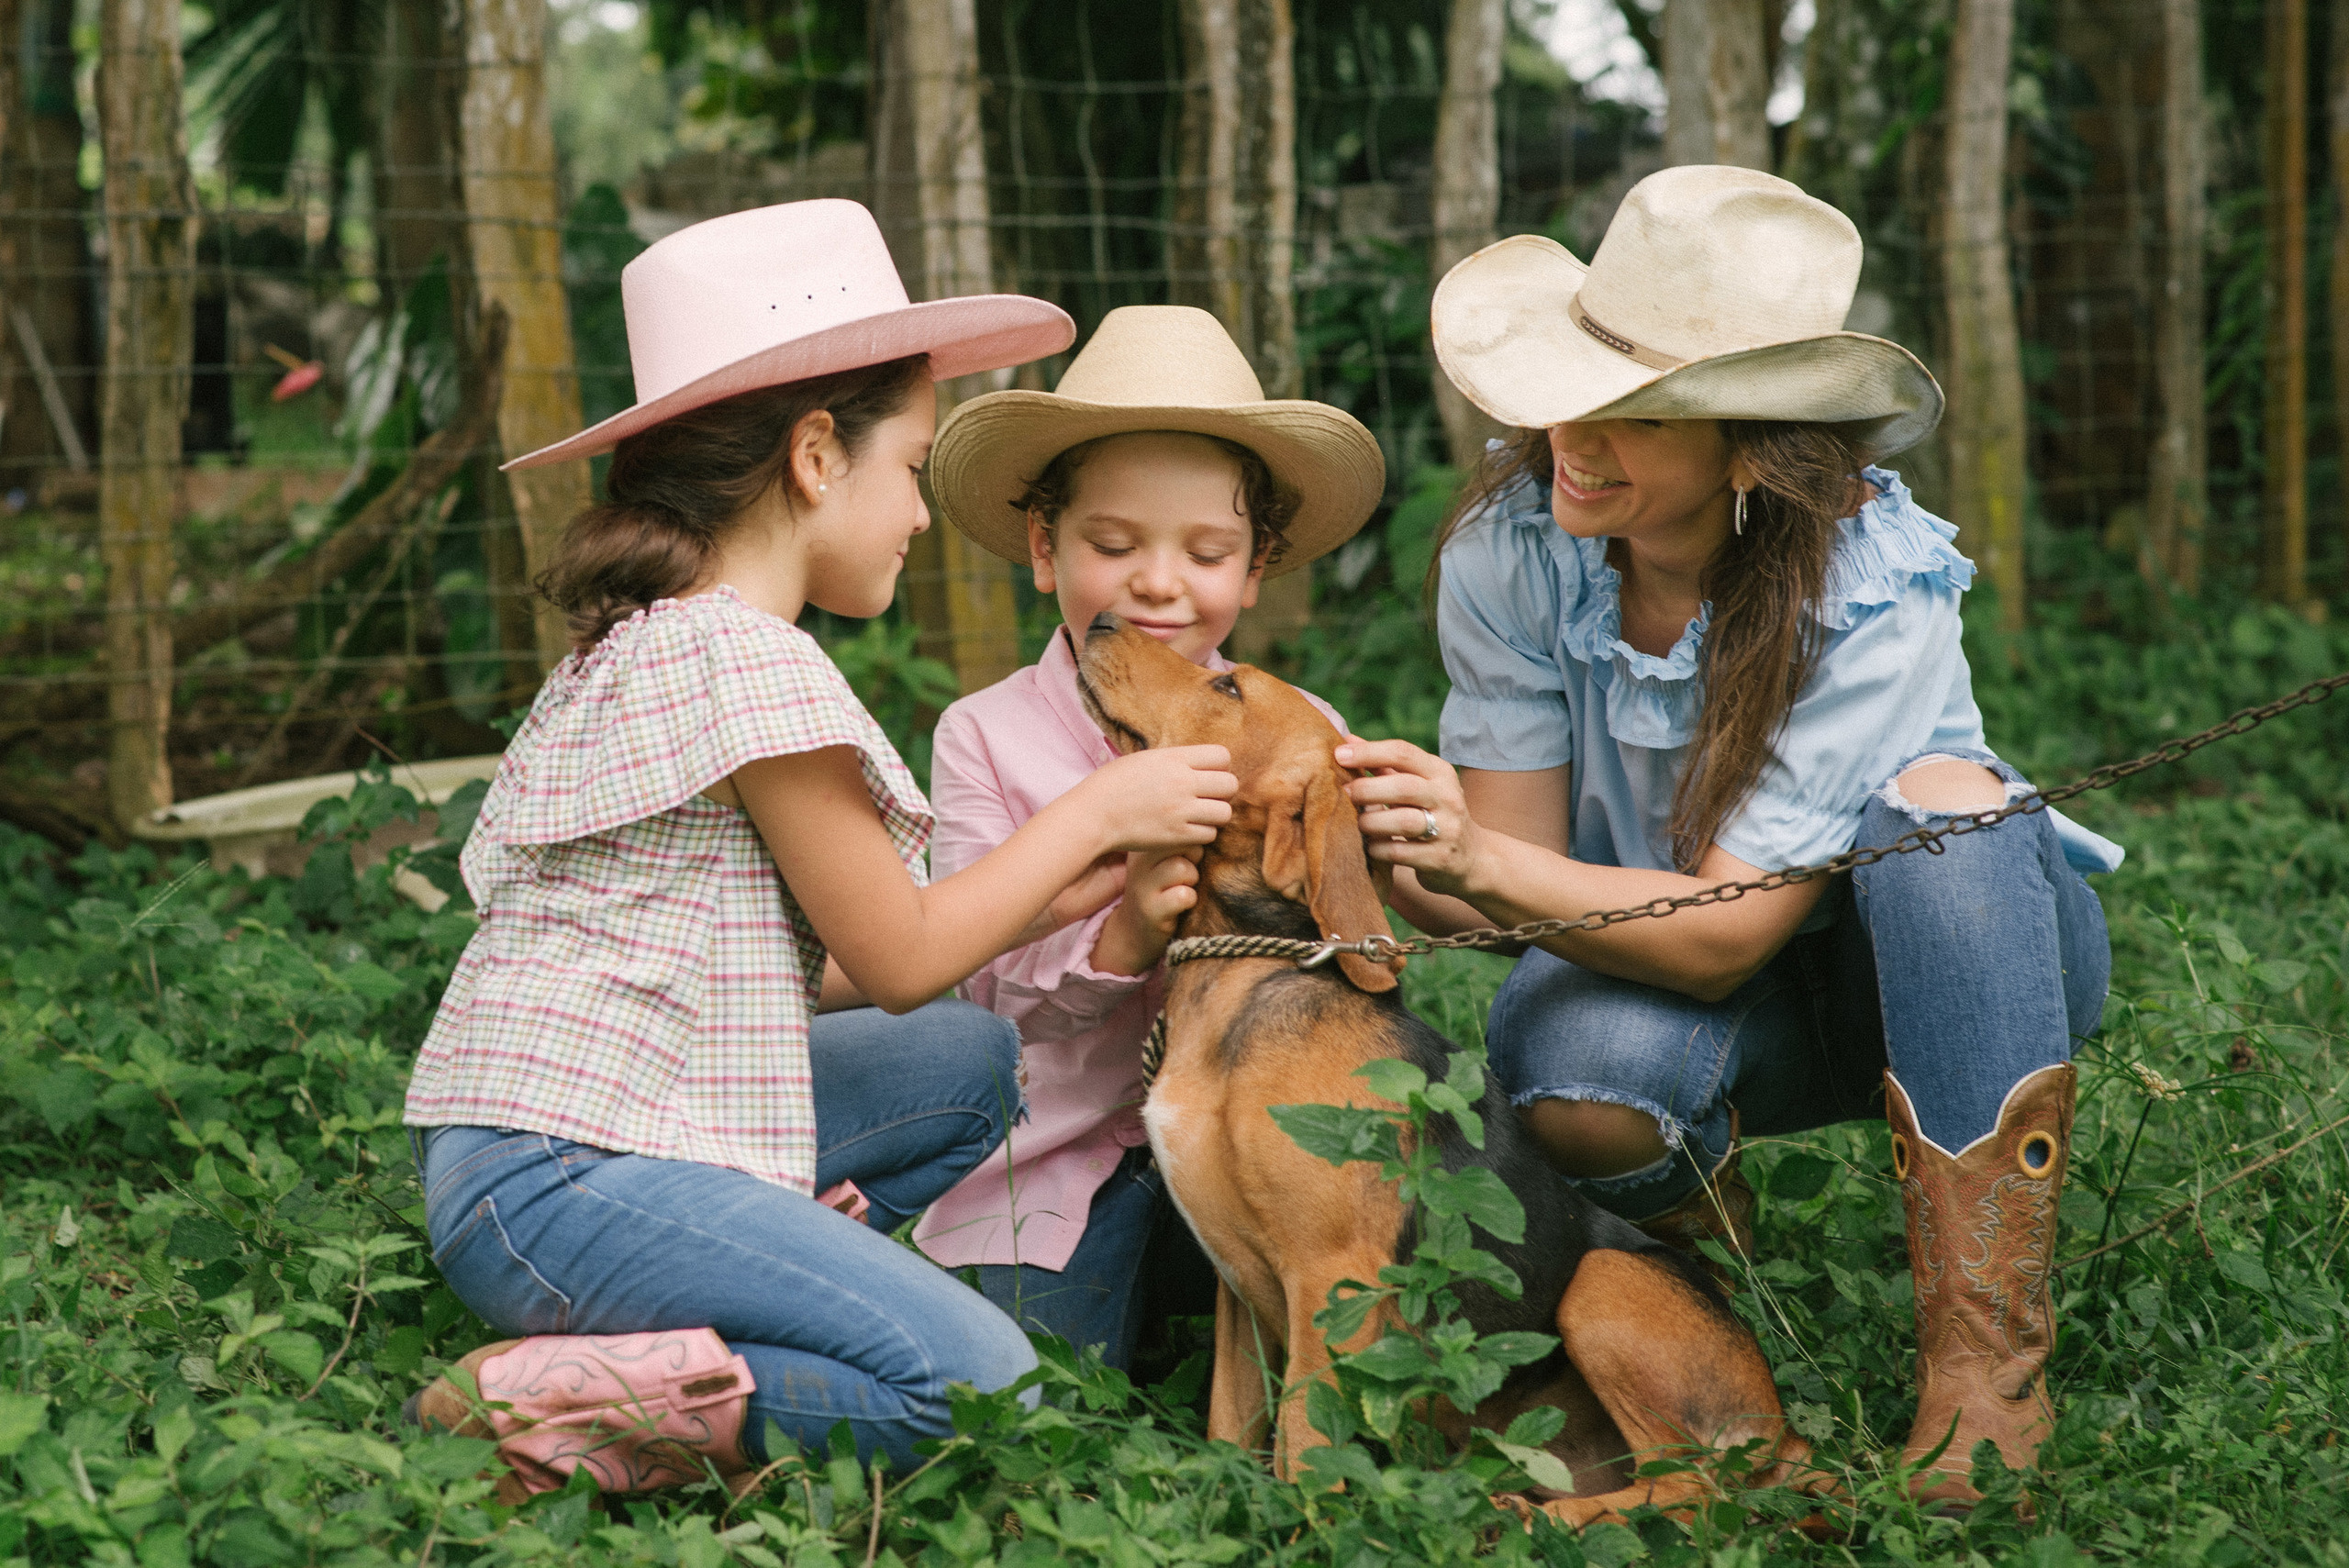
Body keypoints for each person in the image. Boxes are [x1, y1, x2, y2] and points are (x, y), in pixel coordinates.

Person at [399, 202, 1243, 1497]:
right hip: (565, 1176)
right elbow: (903, 954)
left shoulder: (656, 637)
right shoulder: (750, 661)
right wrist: (1100, 814)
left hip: (530, 1156)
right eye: (909, 467)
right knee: (989, 1388)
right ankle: (576, 1391)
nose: (917, 513)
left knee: (965, 1060)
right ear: (812, 457)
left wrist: (1046, 897)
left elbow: (851, 969)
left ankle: (737, 1283)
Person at [1336, 166, 2119, 1509]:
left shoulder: (1868, 576)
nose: (1575, 434)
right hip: (1682, 968)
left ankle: (1986, 1373)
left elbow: (1726, 932)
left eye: (1641, 411)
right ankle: (1714, 1289)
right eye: (1576, 382)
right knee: (1560, 1052)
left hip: (1951, 966)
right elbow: (1500, 884)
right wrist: (1408, 851)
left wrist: (1479, 861)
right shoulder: (1517, 550)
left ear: (1750, 443)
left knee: (1949, 804)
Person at [910, 305, 1383, 1368]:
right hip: (1056, 1161)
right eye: (1112, 544)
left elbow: (1355, 936)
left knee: (1330, 1282)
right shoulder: (983, 735)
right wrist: (1122, 931)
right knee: (1026, 1386)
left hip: (1270, 1150)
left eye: (1206, 550)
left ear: (1255, 567)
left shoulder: (1300, 736)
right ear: (1045, 547)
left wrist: (1411, 835)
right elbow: (981, 996)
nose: (1158, 582)